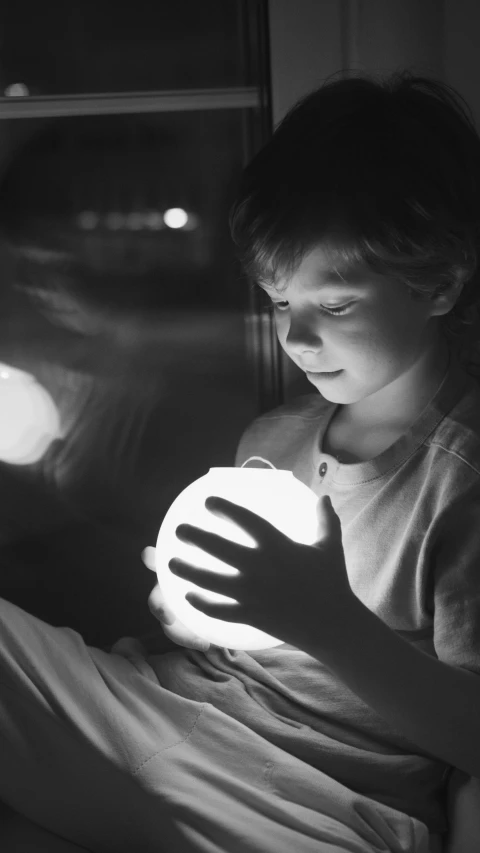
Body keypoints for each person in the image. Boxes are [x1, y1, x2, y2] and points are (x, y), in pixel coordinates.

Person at [2, 68, 480, 853]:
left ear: (440, 283)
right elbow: (226, 634)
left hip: (311, 797)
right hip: (155, 709)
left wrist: (325, 620)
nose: (296, 336)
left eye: (335, 305)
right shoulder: (272, 437)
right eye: (279, 301)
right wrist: (190, 607)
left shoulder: (458, 482)